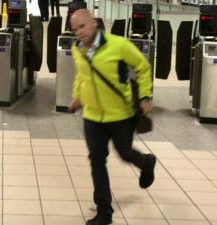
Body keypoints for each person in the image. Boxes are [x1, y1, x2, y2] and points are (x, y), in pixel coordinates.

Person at [68, 9, 157, 225]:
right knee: (97, 162)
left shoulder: (118, 45)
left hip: (120, 115)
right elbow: (82, 76)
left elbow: (143, 67)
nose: (79, 32)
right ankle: (104, 212)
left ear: (94, 23)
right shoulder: (77, 49)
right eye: (74, 29)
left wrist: (145, 96)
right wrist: (76, 97)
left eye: (82, 26)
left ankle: (146, 162)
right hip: (92, 117)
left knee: (125, 153)